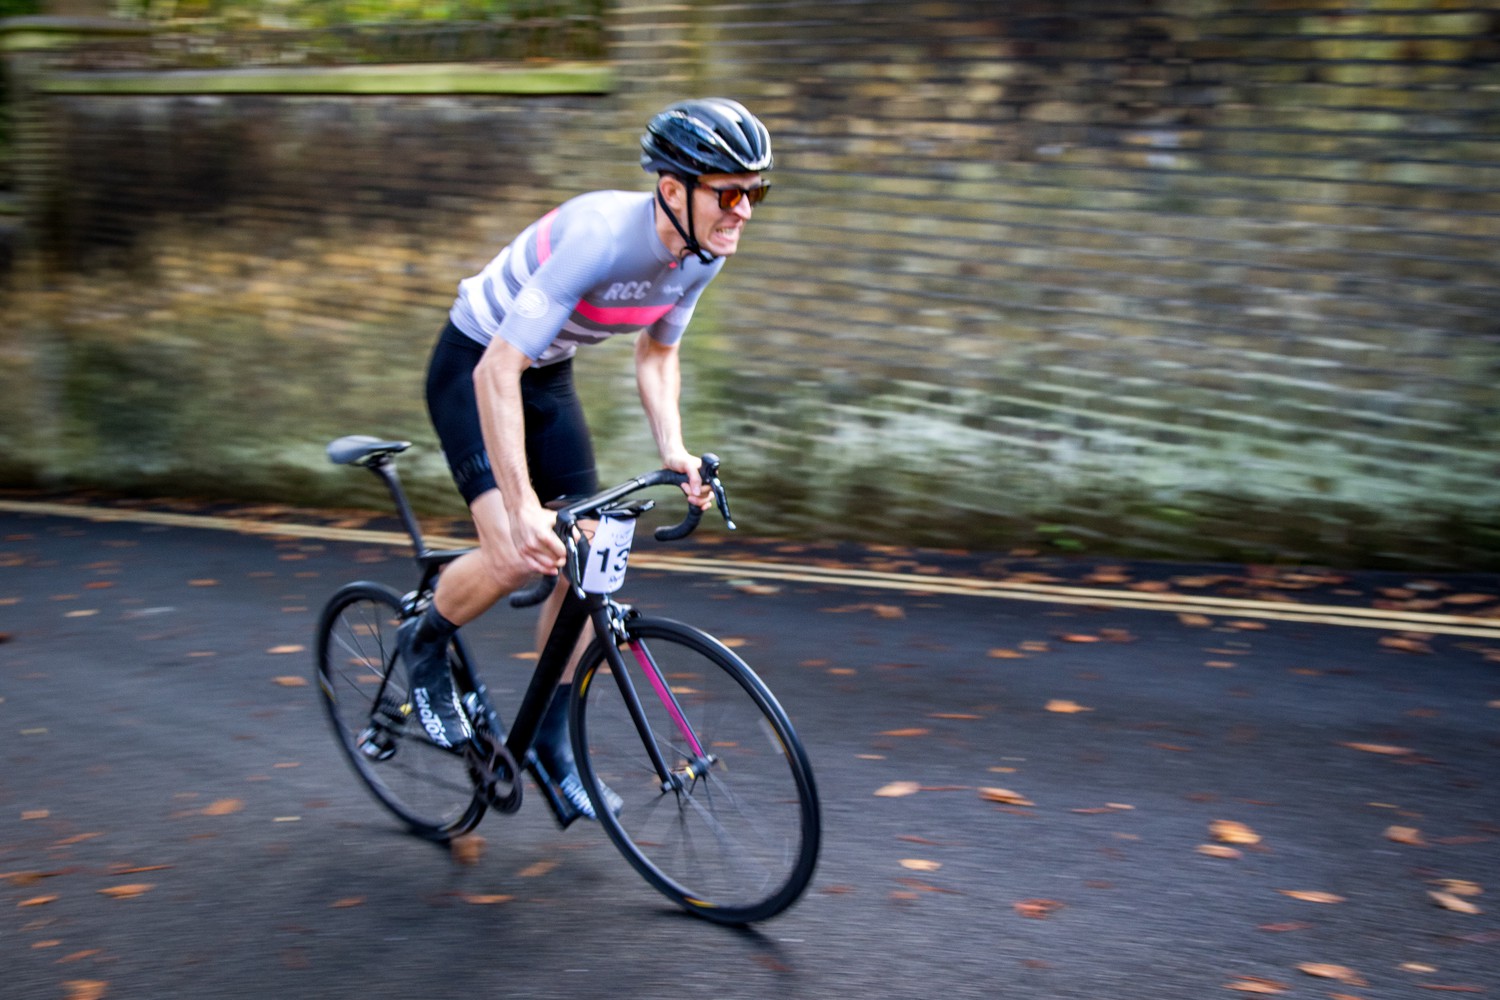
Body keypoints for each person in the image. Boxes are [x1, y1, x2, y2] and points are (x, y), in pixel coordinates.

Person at [397, 98, 774, 823]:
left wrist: (675, 449)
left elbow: (658, 352)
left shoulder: (701, 252)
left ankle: (544, 737)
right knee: (515, 551)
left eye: (755, 192)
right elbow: (495, 371)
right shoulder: (601, 238)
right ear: (674, 190)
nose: (744, 211)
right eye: (730, 192)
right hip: (478, 362)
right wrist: (523, 507)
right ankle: (424, 642)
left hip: (546, 372)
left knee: (594, 553)